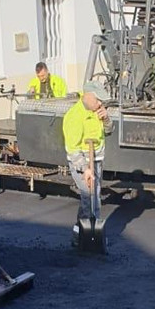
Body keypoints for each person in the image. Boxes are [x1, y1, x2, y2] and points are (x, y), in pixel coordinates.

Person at [62, 82, 114, 245]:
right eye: (98, 100)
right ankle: (82, 237)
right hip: (81, 163)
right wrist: (85, 169)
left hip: (97, 159)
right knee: (89, 196)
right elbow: (72, 149)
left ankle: (86, 234)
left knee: (94, 197)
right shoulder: (74, 116)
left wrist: (106, 119)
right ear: (89, 96)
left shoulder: (97, 111)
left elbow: (109, 131)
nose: (101, 104)